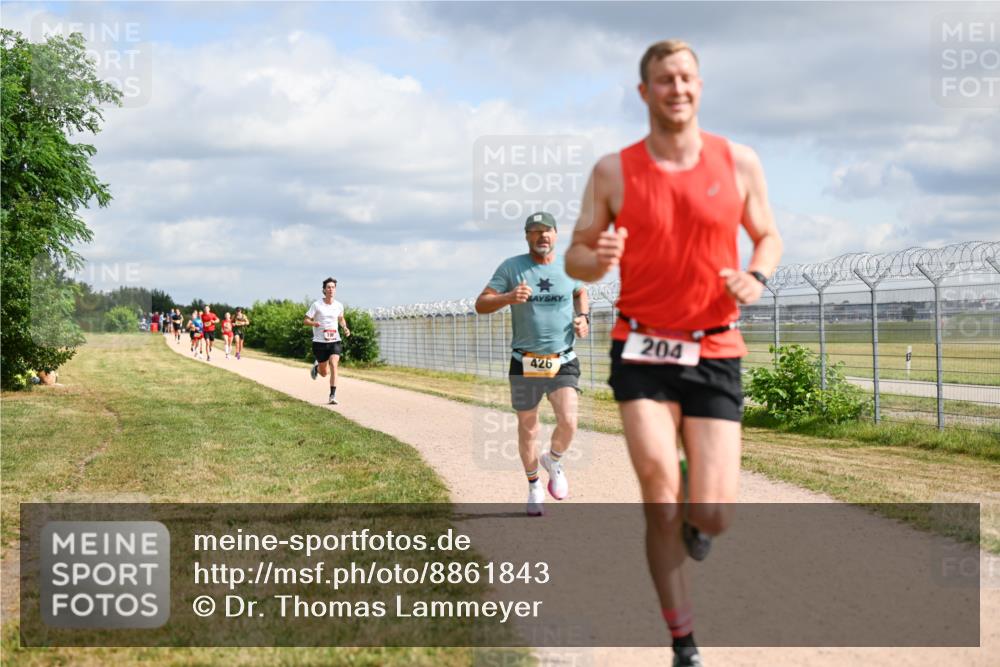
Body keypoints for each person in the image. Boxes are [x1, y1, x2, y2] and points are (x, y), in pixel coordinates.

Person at [565, 40, 782, 667]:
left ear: (700, 86)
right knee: (658, 491)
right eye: (664, 79)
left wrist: (757, 275)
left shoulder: (739, 162)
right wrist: (596, 255)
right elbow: (577, 254)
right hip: (641, 347)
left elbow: (766, 235)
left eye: (686, 77)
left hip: (715, 346)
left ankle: (697, 516)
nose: (677, 88)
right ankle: (682, 640)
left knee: (713, 514)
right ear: (645, 92)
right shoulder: (613, 171)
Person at [475, 211, 590, 517]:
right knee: (528, 428)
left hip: (563, 358)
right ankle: (534, 485)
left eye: (547, 231)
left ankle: (553, 459)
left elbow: (581, 292)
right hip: (525, 362)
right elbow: (481, 304)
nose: (542, 237)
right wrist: (509, 297)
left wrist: (584, 317)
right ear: (526, 236)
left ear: (556, 234)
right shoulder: (512, 267)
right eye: (535, 231)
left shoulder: (570, 265)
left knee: (569, 421)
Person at [304, 278, 351, 404]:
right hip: (319, 342)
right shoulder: (317, 305)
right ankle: (316, 368)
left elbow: (341, 318)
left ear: (335, 290)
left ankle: (332, 395)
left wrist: (345, 328)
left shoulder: (339, 305)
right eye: (328, 287)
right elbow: (306, 320)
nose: (331, 289)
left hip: (335, 340)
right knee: (324, 373)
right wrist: (314, 323)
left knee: (334, 365)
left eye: (333, 287)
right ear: (324, 290)